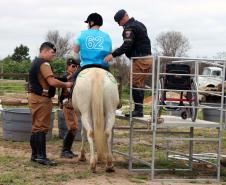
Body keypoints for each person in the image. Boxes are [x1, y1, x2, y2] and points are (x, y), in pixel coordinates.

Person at [28, 42, 73, 166]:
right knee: (41, 128)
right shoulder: (44, 63)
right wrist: (66, 84)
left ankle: (35, 155)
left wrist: (63, 79)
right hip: (41, 99)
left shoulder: (36, 62)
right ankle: (41, 157)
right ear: (45, 51)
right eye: (52, 53)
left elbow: (48, 79)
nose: (54, 55)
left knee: (36, 127)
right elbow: (52, 82)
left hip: (35, 98)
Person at [104, 9, 152, 117]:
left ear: (123, 19)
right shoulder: (139, 24)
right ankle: (139, 109)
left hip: (140, 59)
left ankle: (138, 110)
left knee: (134, 83)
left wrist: (112, 55)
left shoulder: (129, 28)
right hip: (147, 58)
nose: (119, 25)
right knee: (138, 83)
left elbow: (127, 45)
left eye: (119, 22)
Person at [72, 12, 112, 82]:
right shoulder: (107, 36)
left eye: (88, 23)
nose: (87, 25)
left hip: (85, 66)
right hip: (103, 67)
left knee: (74, 79)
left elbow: (75, 52)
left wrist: (78, 61)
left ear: (92, 22)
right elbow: (110, 54)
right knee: (113, 82)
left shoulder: (82, 34)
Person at [59, 58, 80, 158]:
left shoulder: (76, 77)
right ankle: (65, 150)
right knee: (73, 127)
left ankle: (67, 150)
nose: (75, 68)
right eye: (73, 66)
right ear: (68, 66)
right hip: (67, 104)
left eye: (76, 66)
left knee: (74, 128)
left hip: (74, 104)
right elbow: (60, 81)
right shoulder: (65, 76)